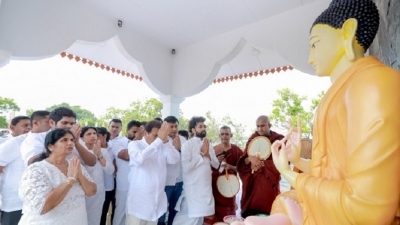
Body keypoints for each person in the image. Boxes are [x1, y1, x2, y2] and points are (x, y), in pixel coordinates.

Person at [233, 0, 400, 224]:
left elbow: (367, 208)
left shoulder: (375, 84)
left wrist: (288, 172)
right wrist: (297, 160)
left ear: (347, 33)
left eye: (315, 44)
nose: (311, 58)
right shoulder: (336, 95)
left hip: (353, 214)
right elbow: (331, 173)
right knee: (276, 206)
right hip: (328, 205)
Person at [18, 129, 96, 224]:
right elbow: (43, 207)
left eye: (72, 140)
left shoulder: (74, 164)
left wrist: (79, 175)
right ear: (50, 146)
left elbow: (92, 192)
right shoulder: (36, 169)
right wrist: (70, 180)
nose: (70, 143)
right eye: (64, 140)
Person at [126, 121, 180, 224]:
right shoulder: (134, 144)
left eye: (160, 136)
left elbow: (175, 159)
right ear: (146, 133)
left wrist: (167, 142)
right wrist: (158, 141)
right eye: (155, 136)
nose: (158, 139)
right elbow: (139, 159)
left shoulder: (162, 146)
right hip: (138, 204)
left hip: (155, 204)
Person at [173, 116, 219, 225]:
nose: (203, 129)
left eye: (204, 126)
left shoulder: (209, 145)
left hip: (205, 189)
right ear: (193, 130)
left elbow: (216, 165)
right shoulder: (187, 145)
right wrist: (201, 154)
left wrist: (208, 155)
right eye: (200, 126)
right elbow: (187, 168)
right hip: (192, 190)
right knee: (186, 220)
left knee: (199, 221)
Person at [236, 115, 284, 217]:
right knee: (250, 210)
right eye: (257, 126)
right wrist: (250, 159)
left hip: (268, 182)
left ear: (269, 125)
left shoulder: (278, 139)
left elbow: (284, 162)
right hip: (252, 181)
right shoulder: (253, 138)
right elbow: (243, 161)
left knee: (269, 210)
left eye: (262, 126)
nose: (259, 129)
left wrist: (263, 164)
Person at [20, 107, 96, 166]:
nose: (69, 126)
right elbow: (32, 163)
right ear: (52, 123)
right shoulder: (36, 138)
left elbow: (92, 162)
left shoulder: (75, 138)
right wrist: (59, 141)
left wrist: (76, 143)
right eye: (64, 123)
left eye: (72, 123)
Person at [0, 115, 33, 225]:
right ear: (12, 127)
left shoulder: (31, 143)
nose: (28, 128)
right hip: (11, 200)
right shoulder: (6, 143)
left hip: (28, 200)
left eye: (30, 125)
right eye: (25, 125)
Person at [80, 126, 114, 225]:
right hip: (83, 191)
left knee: (96, 217)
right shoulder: (79, 152)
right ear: (82, 137)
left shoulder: (103, 151)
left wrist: (99, 155)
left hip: (99, 191)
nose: (93, 136)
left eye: (94, 133)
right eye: (89, 134)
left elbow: (110, 170)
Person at [209, 125, 243, 223]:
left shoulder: (236, 150)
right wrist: (215, 161)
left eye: (227, 134)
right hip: (215, 186)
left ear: (231, 135)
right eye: (222, 134)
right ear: (219, 135)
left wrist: (230, 167)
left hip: (230, 187)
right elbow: (206, 168)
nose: (224, 136)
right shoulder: (213, 150)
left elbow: (243, 169)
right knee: (214, 211)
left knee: (229, 212)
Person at [157, 116, 186, 225]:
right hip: (166, 182)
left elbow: (187, 159)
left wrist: (179, 149)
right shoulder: (160, 141)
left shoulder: (182, 139)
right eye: (171, 126)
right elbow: (167, 160)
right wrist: (175, 149)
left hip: (180, 181)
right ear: (165, 127)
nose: (174, 129)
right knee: (162, 211)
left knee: (175, 210)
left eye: (176, 126)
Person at [112, 120, 141, 225]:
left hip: (138, 185)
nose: (136, 135)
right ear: (127, 130)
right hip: (124, 184)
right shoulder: (118, 142)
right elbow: (126, 156)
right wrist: (137, 140)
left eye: (139, 132)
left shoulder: (142, 144)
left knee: (134, 215)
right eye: (134, 132)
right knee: (120, 212)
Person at [97, 127, 116, 225]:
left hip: (108, 185)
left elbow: (114, 166)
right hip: (96, 186)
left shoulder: (112, 148)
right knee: (96, 212)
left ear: (105, 136)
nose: (95, 138)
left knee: (105, 211)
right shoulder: (91, 149)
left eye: (98, 136)